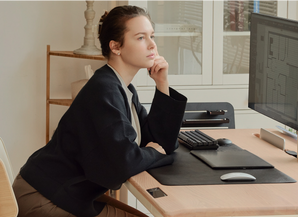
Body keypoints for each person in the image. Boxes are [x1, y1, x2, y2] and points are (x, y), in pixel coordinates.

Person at [13, 5, 187, 217]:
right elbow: (126, 162)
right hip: (44, 196)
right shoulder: (104, 90)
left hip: (65, 194)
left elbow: (162, 142)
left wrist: (162, 83)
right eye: (141, 38)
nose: (153, 45)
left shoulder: (123, 88)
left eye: (152, 36)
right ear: (116, 46)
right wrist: (153, 152)